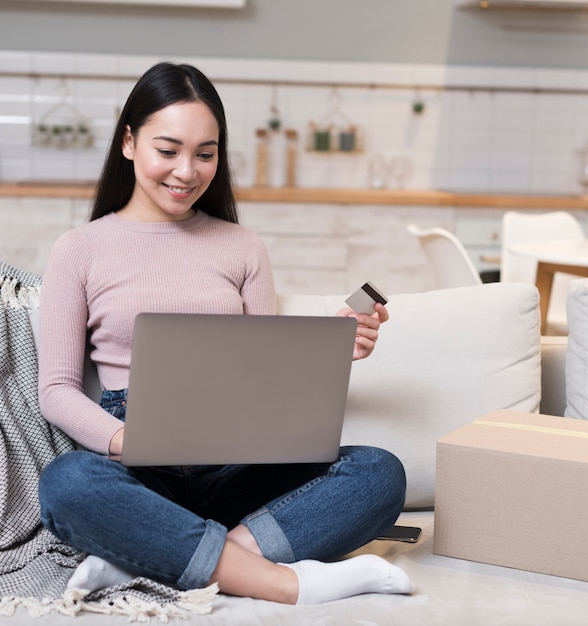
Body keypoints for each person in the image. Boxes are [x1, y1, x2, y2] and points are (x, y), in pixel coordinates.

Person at [37, 62, 413, 605]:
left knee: (379, 471)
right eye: (167, 150)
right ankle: (287, 583)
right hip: (139, 460)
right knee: (67, 483)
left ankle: (159, 556)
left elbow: (264, 380)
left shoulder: (241, 247)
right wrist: (130, 441)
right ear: (128, 143)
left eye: (205, 154)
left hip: (236, 459)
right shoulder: (80, 248)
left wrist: (327, 352)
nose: (186, 171)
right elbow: (57, 391)